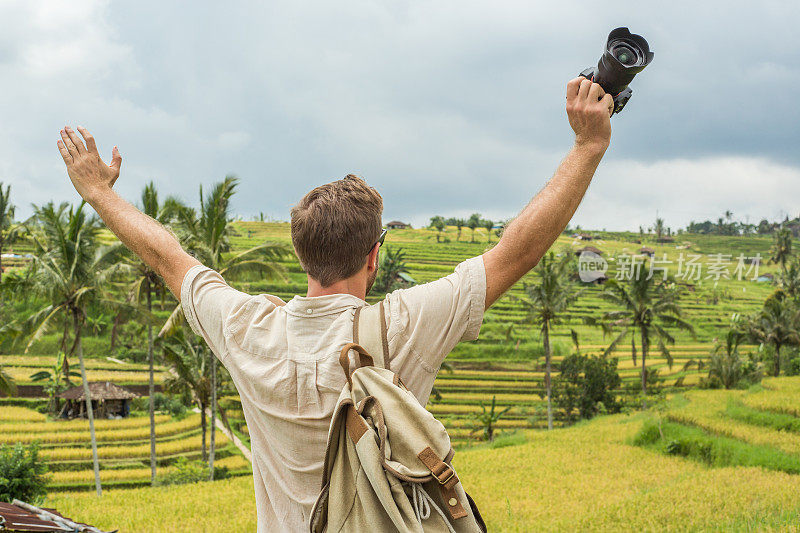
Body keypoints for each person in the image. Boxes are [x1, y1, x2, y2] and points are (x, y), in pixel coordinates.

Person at [56, 77, 613, 532]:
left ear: (301, 256)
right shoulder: (403, 326)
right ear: (374, 257)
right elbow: (513, 254)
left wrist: (98, 191)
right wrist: (587, 147)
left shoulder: (246, 329)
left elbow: (169, 258)